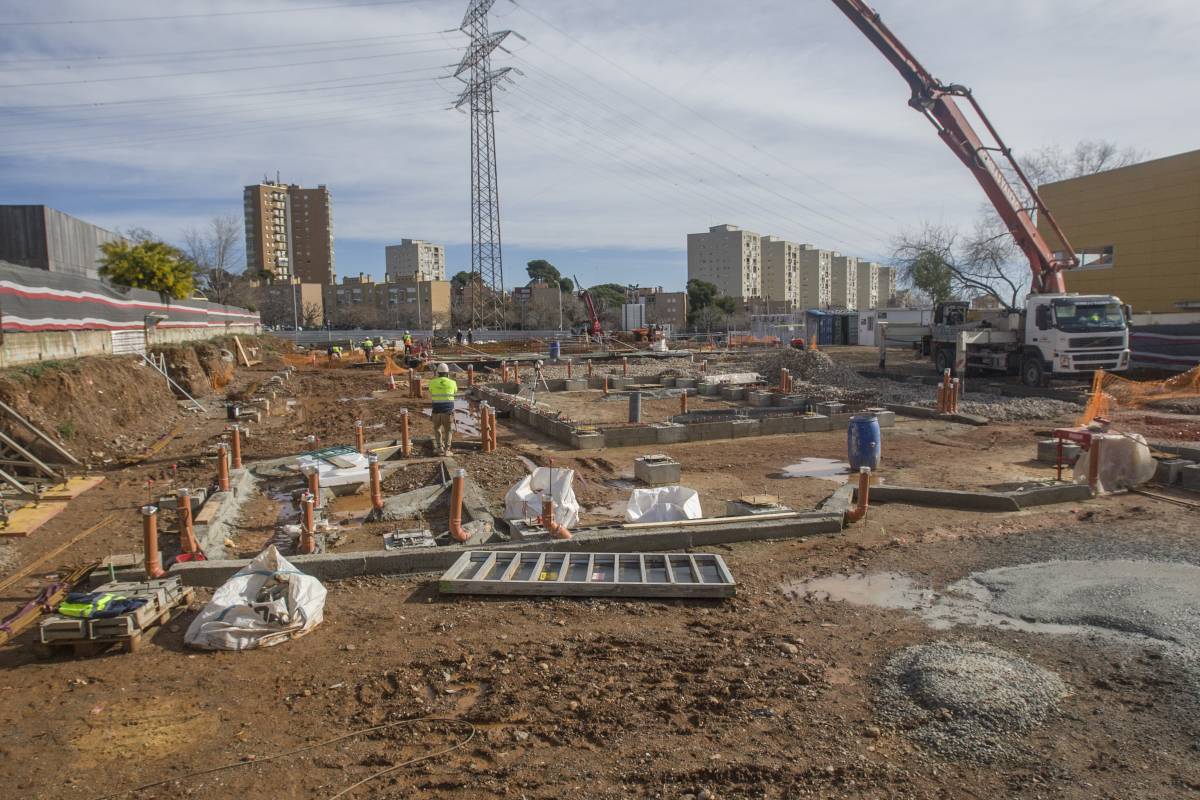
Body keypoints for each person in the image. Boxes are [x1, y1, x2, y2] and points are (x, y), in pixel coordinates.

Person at [429, 362, 458, 455]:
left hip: (436, 411)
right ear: (447, 373)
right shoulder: (453, 383)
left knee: (437, 429)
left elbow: (431, 391)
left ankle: (439, 448)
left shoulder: (432, 382)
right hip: (448, 412)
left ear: (438, 373)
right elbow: (455, 391)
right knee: (448, 430)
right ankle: (447, 450)